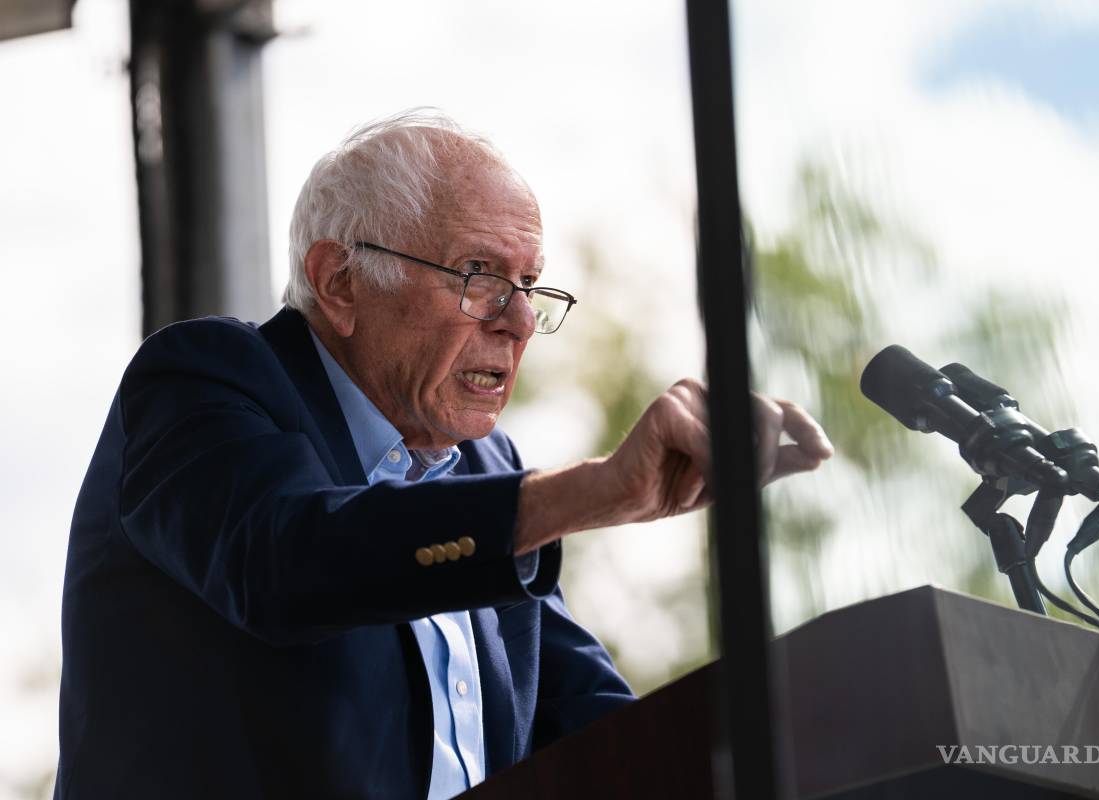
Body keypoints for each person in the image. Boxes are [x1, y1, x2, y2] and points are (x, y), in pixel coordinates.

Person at [54, 111, 833, 800]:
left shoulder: (485, 470)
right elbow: (286, 558)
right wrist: (593, 492)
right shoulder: (203, 381)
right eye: (479, 274)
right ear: (340, 282)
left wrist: (819, 739)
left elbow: (600, 734)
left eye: (530, 284)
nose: (521, 320)